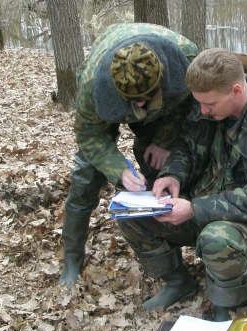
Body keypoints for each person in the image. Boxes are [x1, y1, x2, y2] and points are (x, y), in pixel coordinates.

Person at [117, 48, 247, 321]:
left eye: (209, 104)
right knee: (132, 214)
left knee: (216, 239)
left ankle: (228, 304)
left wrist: (193, 209)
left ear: (236, 91)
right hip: (207, 205)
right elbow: (185, 146)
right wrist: (173, 175)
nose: (203, 110)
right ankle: (177, 282)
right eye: (199, 104)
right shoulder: (208, 106)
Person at [58, 23, 198, 288]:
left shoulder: (185, 62)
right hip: (108, 100)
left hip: (165, 111)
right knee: (85, 178)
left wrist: (164, 141)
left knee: (159, 170)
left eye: (146, 98)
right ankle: (72, 258)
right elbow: (90, 136)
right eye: (135, 101)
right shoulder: (93, 85)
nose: (141, 105)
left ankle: (171, 267)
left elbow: (188, 105)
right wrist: (117, 168)